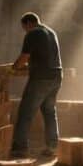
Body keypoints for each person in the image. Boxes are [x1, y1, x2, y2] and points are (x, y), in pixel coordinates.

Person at [11, 12, 63, 157]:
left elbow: (24, 57)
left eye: (24, 28)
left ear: (28, 23)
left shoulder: (32, 33)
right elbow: (44, 56)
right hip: (56, 76)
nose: (25, 31)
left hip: (41, 78)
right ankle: (53, 146)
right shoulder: (51, 32)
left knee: (25, 112)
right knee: (49, 112)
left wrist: (12, 69)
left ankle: (20, 148)